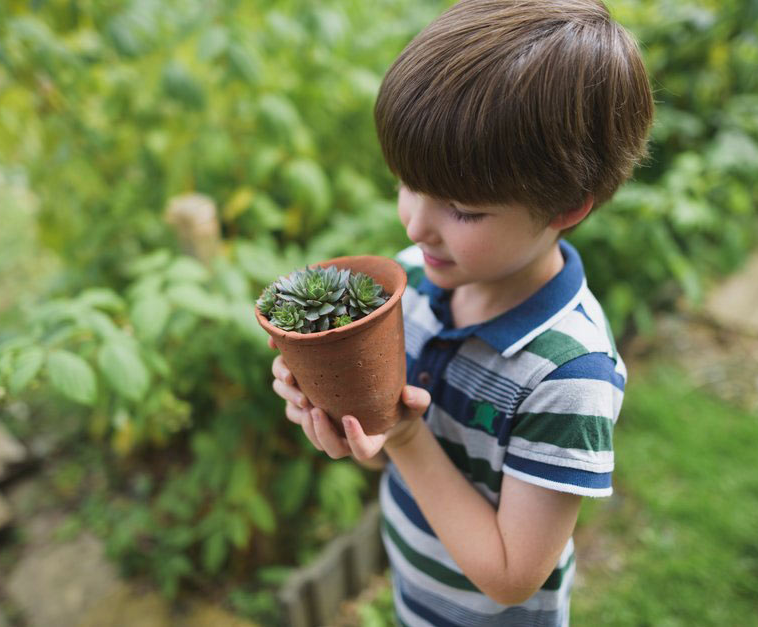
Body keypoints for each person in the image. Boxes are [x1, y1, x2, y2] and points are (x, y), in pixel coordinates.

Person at [268, 0, 654, 624]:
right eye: (406, 183)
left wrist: (407, 437)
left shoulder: (568, 375)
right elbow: (385, 445)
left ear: (564, 208)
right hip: (417, 600)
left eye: (464, 210)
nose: (416, 223)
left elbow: (510, 578)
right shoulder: (414, 282)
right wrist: (347, 420)